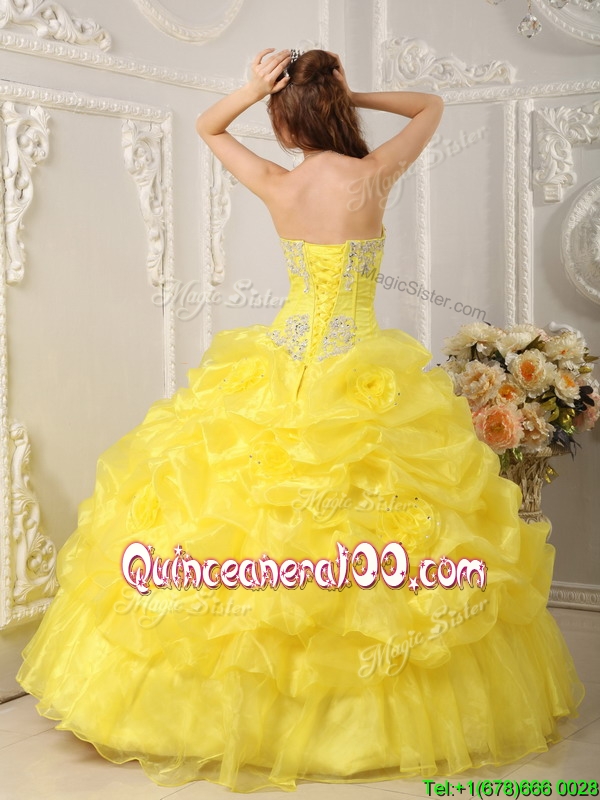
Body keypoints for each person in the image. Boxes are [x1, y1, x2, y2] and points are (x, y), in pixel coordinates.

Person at [16, 47, 584, 794]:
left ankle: (239, 714)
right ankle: (351, 713)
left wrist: (254, 87)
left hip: (281, 362)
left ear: (285, 121)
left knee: (242, 520)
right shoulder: (373, 174)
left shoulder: (278, 182)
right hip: (362, 368)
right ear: (335, 106)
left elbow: (208, 128)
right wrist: (353, 94)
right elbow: (433, 106)